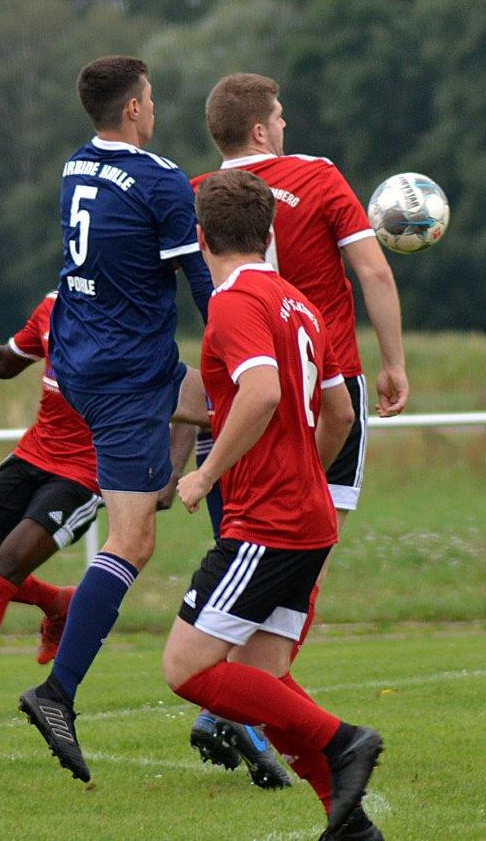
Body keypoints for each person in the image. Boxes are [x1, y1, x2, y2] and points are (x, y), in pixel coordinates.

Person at [184, 72, 408, 779]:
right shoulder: (317, 175)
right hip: (324, 383)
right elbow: (373, 272)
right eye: (279, 116)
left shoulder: (200, 195)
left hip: (241, 400)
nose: (285, 125)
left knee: (255, 543)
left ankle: (241, 699)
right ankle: (242, 701)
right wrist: (395, 361)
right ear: (259, 128)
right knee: (303, 555)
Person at [164, 168, 383, 841]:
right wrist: (302, 470)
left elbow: (260, 391)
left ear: (201, 237)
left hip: (266, 520)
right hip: (308, 517)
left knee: (187, 667)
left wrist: (207, 475)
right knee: (262, 680)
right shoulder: (299, 303)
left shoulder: (232, 303)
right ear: (269, 234)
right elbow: (340, 412)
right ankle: (350, 824)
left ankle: (343, 740)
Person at [18, 56, 215, 782]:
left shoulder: (76, 167)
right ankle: (58, 692)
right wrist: (247, 334)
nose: (155, 108)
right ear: (133, 108)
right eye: (151, 98)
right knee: (133, 541)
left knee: (209, 408)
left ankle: (180, 491)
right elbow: (202, 285)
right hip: (126, 378)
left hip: (87, 362)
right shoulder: (161, 179)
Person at [0, 300, 207, 718]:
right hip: (32, 456)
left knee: (7, 566)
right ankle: (58, 602)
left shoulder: (127, 314)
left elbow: (188, 387)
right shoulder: (52, 307)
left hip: (84, 474)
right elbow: (4, 361)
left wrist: (172, 472)